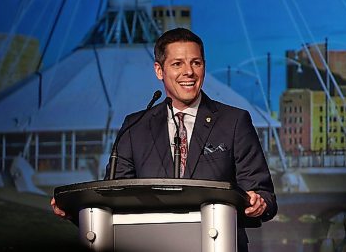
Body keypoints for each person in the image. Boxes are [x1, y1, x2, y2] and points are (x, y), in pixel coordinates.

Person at [51, 27, 277, 252]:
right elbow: (112, 198)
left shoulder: (234, 121)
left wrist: (258, 203)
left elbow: (264, 194)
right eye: (177, 64)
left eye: (196, 63)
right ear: (159, 70)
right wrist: (74, 210)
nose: (188, 72)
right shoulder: (135, 127)